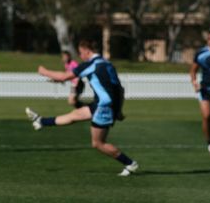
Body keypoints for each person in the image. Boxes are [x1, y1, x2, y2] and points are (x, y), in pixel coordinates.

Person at [25, 39, 136, 176]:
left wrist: (44, 72)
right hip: (104, 104)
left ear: (87, 51)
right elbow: (120, 89)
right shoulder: (107, 63)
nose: (80, 56)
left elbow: (64, 77)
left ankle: (130, 163)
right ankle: (41, 121)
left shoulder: (91, 65)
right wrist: (118, 109)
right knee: (75, 115)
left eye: (81, 53)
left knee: (98, 143)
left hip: (103, 106)